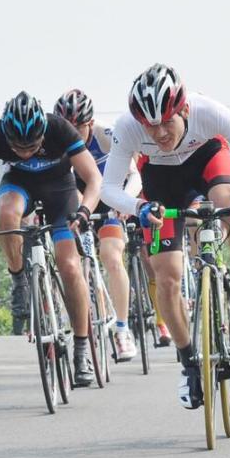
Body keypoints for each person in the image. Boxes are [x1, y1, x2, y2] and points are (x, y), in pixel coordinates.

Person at [102, 64, 230, 410]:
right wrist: (138, 206)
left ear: (183, 109)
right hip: (162, 182)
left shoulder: (208, 112)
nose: (161, 132)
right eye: (151, 125)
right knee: (167, 278)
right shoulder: (127, 129)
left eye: (167, 121)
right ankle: (189, 364)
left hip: (207, 159)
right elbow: (108, 188)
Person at [0, 91, 103, 386]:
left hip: (61, 191)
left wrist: (84, 210)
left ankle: (81, 350)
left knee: (69, 267)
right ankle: (19, 280)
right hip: (19, 186)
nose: (25, 152)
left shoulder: (60, 128)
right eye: (17, 147)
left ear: (43, 133)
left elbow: (94, 179)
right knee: (6, 213)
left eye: (31, 145)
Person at [54, 89, 138, 360]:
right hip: (78, 198)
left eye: (77, 127)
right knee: (70, 261)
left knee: (112, 257)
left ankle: (123, 331)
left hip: (111, 196)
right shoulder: (57, 141)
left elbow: (135, 176)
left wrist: (125, 202)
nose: (72, 132)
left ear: (89, 123)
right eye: (66, 127)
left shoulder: (106, 136)